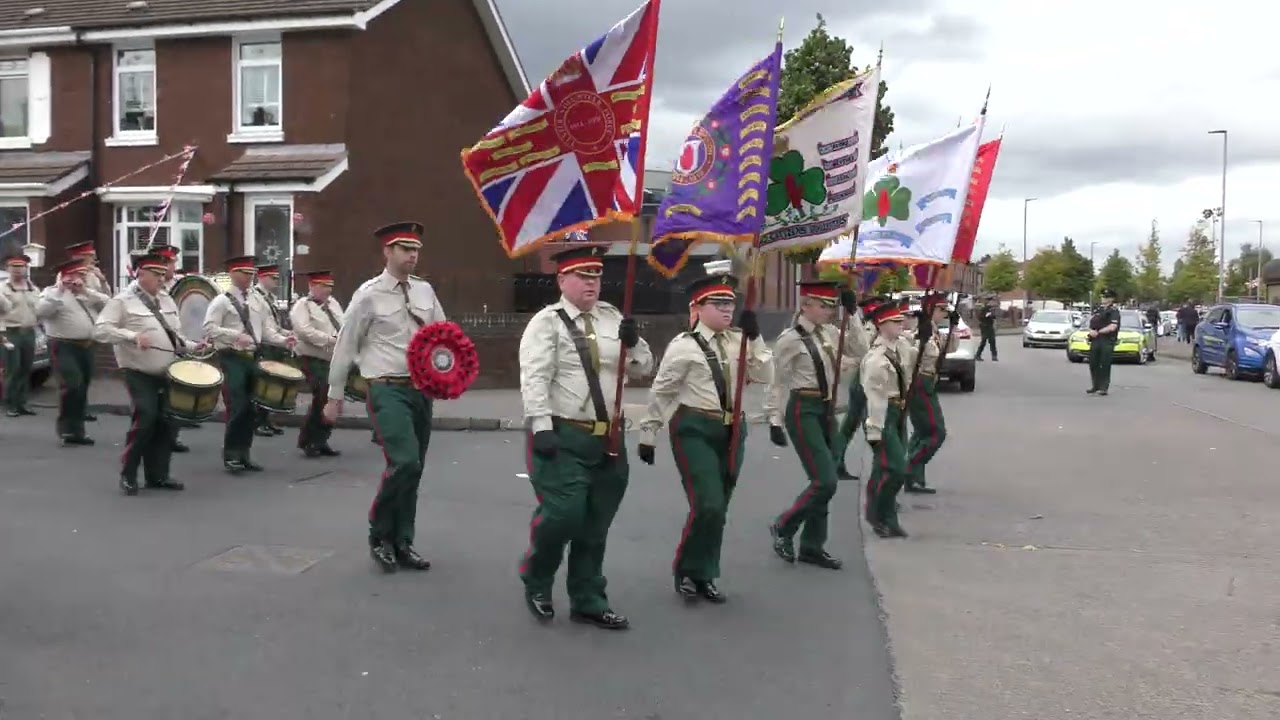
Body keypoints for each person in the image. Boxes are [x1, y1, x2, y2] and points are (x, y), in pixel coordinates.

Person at [516, 245, 653, 629]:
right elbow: (535, 377)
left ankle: (588, 597)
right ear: (562, 280)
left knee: (596, 523)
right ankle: (536, 576)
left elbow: (644, 369)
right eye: (582, 275)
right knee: (564, 514)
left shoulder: (613, 318)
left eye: (596, 275)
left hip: (609, 437)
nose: (592, 282)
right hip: (564, 434)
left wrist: (635, 341)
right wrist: (541, 426)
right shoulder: (547, 323)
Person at [637, 273, 770, 604]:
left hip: (732, 430)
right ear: (698, 307)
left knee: (719, 508)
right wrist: (648, 433)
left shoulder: (740, 341)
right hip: (694, 427)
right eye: (719, 304)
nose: (728, 310)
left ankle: (705, 573)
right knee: (707, 503)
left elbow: (764, 374)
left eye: (731, 304)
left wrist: (755, 338)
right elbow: (663, 391)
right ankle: (686, 568)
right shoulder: (683, 346)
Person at [323, 222, 442, 574]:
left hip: (421, 389)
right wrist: (334, 395)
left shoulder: (425, 291)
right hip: (386, 387)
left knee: (414, 469)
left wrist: (447, 377)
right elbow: (346, 345)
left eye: (416, 249)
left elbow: (443, 337)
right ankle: (380, 534)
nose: (412, 255)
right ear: (387, 252)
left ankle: (403, 541)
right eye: (404, 249)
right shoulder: (368, 294)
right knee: (404, 461)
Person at [764, 280, 864, 570]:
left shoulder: (831, 333)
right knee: (825, 480)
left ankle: (812, 546)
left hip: (826, 410)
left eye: (832, 306)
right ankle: (784, 525)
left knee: (826, 481)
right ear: (805, 305)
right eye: (823, 305)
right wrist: (773, 418)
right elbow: (776, 380)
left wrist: (852, 312)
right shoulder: (790, 339)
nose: (828, 311)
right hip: (803, 409)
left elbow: (861, 349)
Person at [94, 252, 203, 495]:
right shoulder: (122, 301)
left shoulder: (166, 300)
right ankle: (128, 474)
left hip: (168, 371)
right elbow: (101, 330)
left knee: (166, 423)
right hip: (138, 371)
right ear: (140, 274)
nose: (161, 280)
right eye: (156, 275)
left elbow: (176, 335)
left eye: (163, 275)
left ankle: (158, 476)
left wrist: (195, 346)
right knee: (145, 418)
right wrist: (132, 337)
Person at [203, 256, 295, 473]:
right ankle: (232, 455)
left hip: (252, 358)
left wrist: (283, 340)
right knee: (238, 406)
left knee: (252, 408)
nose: (249, 277)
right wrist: (235, 336)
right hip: (232, 358)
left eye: (251, 274)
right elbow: (208, 328)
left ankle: (244, 454)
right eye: (244, 273)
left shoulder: (257, 301)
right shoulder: (222, 301)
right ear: (233, 274)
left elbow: (266, 331)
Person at [35, 258, 110, 445]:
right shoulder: (51, 293)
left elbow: (108, 304)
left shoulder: (86, 293)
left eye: (80, 275)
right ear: (62, 277)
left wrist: (84, 291)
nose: (76, 279)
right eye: (72, 276)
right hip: (62, 345)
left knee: (82, 387)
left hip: (86, 346)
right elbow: (40, 312)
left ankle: (77, 431)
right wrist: (60, 291)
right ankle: (67, 429)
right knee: (72, 384)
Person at [861, 298, 911, 537]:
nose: (902, 324)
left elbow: (920, 356)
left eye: (902, 320)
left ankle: (888, 517)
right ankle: (877, 512)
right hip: (883, 414)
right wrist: (874, 430)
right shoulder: (876, 359)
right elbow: (874, 397)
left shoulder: (899, 347)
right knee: (897, 468)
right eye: (896, 321)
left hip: (899, 410)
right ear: (881, 324)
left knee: (888, 468)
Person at [903, 293, 955, 494]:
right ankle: (910, 469)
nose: (944, 313)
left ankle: (915, 477)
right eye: (941, 309)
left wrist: (952, 328)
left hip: (928, 380)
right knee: (936, 432)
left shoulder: (933, 330)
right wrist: (920, 341)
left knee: (922, 432)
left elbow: (948, 349)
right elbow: (912, 356)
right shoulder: (920, 331)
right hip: (920, 381)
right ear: (930, 309)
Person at [290, 269, 344, 458]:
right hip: (310, 356)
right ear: (312, 286)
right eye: (323, 286)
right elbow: (304, 331)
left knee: (333, 398)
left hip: (331, 358)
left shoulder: (334, 304)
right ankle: (307, 440)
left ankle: (321, 439)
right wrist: (330, 340)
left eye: (330, 286)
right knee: (322, 393)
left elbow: (343, 324)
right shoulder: (302, 306)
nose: (327, 290)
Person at [830, 296, 879, 480]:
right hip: (863, 380)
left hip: (870, 379)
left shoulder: (875, 327)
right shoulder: (869, 328)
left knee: (851, 424)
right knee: (868, 425)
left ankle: (837, 462)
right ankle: (881, 473)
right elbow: (863, 349)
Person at [252, 264, 291, 437]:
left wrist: (288, 334)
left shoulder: (269, 298)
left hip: (273, 346)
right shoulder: (256, 298)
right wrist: (284, 340)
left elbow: (274, 326)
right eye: (273, 278)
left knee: (270, 386)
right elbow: (265, 331)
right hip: (264, 347)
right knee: (262, 387)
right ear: (262, 278)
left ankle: (266, 420)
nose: (276, 281)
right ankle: (258, 422)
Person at [1, 252, 40, 417]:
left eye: (21, 267)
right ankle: (11, 404)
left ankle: (23, 403)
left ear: (26, 268)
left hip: (29, 332)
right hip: (10, 332)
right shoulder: (2, 288)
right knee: (13, 369)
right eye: (14, 267)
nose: (17, 270)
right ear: (7, 268)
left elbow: (39, 309)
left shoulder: (33, 288)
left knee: (26, 369)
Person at [1086, 288, 1122, 396]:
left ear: (1111, 299)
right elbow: (1091, 323)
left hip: (1106, 340)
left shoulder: (1114, 311)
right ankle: (1095, 385)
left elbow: (1113, 326)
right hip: (1095, 340)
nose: (1103, 299)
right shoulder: (1098, 310)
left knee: (1104, 363)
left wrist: (1099, 332)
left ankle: (1104, 387)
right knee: (1093, 363)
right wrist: (1091, 331)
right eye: (1102, 297)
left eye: (1106, 297)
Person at [974, 297, 998, 361]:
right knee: (983, 341)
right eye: (990, 301)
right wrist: (986, 315)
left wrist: (993, 316)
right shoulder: (984, 309)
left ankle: (994, 356)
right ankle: (977, 355)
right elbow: (980, 317)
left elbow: (994, 317)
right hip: (984, 326)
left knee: (992, 341)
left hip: (990, 326)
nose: (991, 303)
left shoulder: (992, 309)